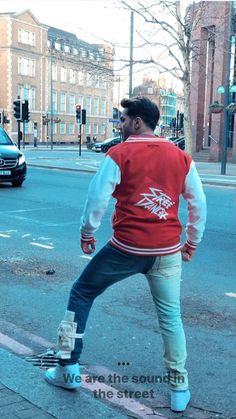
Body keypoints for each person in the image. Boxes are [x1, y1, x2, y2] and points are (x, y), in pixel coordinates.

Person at [45, 96, 206, 413]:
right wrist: (192, 242)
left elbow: (97, 199)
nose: (118, 125)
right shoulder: (181, 158)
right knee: (171, 318)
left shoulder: (118, 153)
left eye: (122, 119)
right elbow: (198, 204)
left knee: (81, 292)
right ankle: (178, 389)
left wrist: (87, 233)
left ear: (137, 122)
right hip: (167, 251)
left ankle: (68, 368)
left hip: (126, 249)